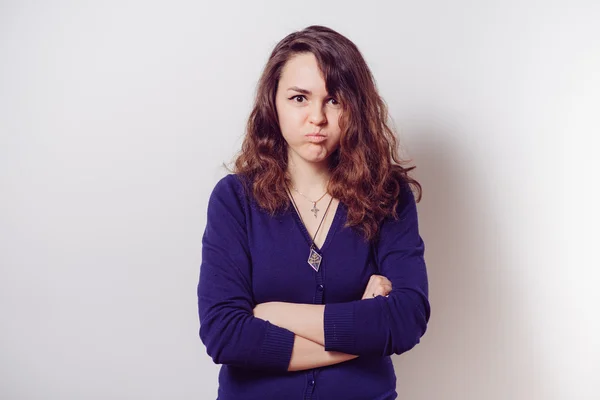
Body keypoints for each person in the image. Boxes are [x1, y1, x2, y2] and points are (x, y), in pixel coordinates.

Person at [197, 25, 430, 400]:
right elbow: (225, 334)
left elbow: (407, 319)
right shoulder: (234, 200)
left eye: (334, 100)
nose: (317, 117)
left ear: (356, 107)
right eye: (299, 98)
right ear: (273, 102)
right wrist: (362, 327)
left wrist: (274, 314)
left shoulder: (386, 195)